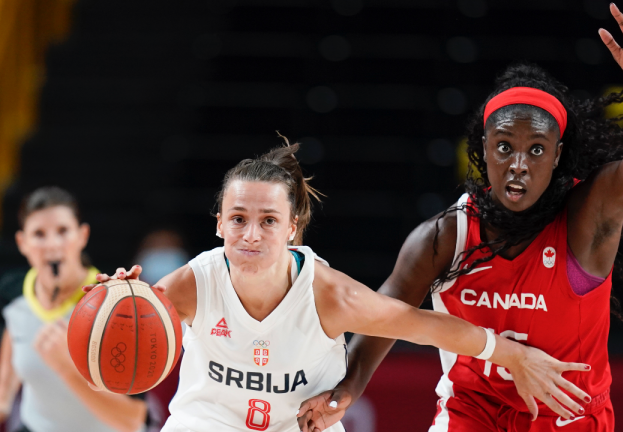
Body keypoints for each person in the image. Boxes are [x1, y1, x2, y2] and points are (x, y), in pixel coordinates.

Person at [299, 5, 623, 432]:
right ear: (483, 149)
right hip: (473, 411)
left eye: (536, 150)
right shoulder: (446, 234)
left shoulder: (585, 216)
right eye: (504, 147)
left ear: (557, 156)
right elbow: (384, 315)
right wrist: (350, 385)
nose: (518, 164)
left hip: (570, 417)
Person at [92, 142, 592, 432]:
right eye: (238, 219)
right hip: (208, 423)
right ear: (218, 223)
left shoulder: (328, 293)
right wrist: (116, 300)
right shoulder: (192, 283)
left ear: (291, 229)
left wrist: (510, 354)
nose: (251, 234)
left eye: (268, 220)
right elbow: (122, 328)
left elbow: (419, 324)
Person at [0, 187, 148, 432]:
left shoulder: (114, 302)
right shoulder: (14, 294)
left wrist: (66, 368)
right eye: (39, 234)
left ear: (82, 235)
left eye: (63, 231)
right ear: (22, 242)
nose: (52, 244)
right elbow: (5, 386)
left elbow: (133, 420)